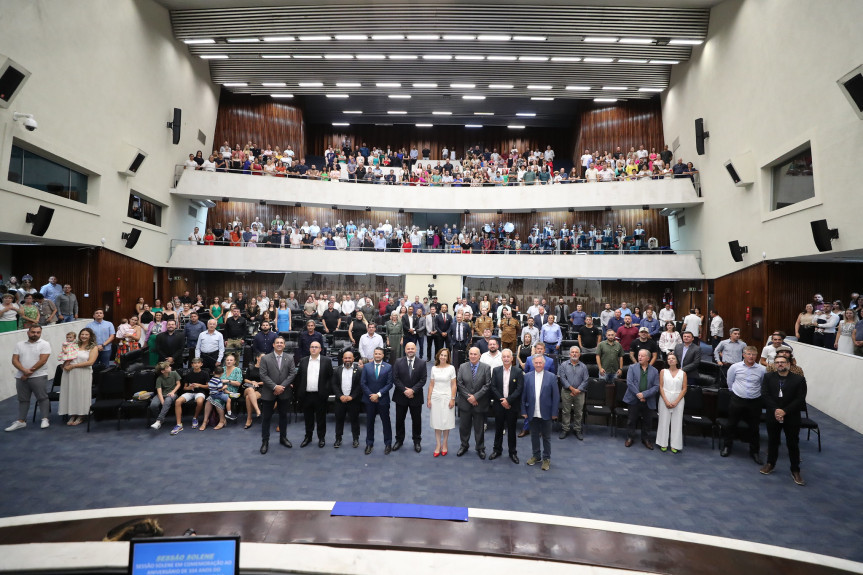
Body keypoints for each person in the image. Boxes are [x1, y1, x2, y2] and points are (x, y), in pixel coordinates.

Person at [760, 355, 808, 485]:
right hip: (773, 414)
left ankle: (795, 470)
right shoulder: (768, 377)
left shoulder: (799, 379)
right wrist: (776, 410)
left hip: (791, 416)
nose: (780, 364)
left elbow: (800, 399)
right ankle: (770, 463)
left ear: (788, 364)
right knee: (773, 441)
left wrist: (784, 411)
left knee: (792, 443)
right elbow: (765, 394)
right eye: (777, 362)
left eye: (782, 362)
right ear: (774, 364)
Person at [721, 346, 766, 464]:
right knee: (731, 424)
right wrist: (735, 392)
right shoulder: (735, 367)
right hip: (737, 400)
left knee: (754, 428)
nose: (751, 357)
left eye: (753, 355)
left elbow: (762, 384)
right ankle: (727, 447)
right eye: (749, 354)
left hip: (755, 401)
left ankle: (755, 452)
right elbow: (730, 382)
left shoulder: (762, 369)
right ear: (744, 355)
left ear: (756, 356)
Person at [6, 326, 52, 431]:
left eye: (38, 332)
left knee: (42, 398)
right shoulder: (19, 344)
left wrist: (27, 374)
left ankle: (45, 419)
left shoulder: (45, 344)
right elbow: (14, 360)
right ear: (28, 332)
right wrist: (23, 370)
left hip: (38, 376)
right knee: (23, 399)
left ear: (41, 333)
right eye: (33, 332)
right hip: (20, 376)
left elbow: (43, 361)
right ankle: (21, 421)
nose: (35, 334)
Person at [258, 336, 297, 454]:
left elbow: (292, 374)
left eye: (281, 343)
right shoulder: (265, 358)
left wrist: (281, 387)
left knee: (283, 417)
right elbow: (263, 375)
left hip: (284, 393)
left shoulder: (290, 358)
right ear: (273, 345)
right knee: (266, 418)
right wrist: (275, 387)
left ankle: (283, 438)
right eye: (277, 343)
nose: (279, 344)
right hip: (269, 392)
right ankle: (265, 441)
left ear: (284, 345)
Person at [521, 354, 560, 470]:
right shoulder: (527, 376)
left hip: (547, 412)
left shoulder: (552, 377)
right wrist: (523, 410)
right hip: (532, 411)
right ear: (533, 364)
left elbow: (556, 397)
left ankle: (546, 458)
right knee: (533, 436)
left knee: (546, 437)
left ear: (544, 364)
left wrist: (554, 413)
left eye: (540, 363)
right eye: (536, 363)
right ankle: (536, 456)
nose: (538, 365)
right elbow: (523, 396)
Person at [295, 341, 334, 448]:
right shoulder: (303, 361)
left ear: (320, 349)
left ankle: (321, 438)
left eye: (316, 347)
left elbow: (331, 377)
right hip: (306, 395)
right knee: (308, 418)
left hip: (320, 395)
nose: (313, 349)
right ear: (309, 349)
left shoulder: (326, 361)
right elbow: (299, 377)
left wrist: (326, 391)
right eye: (312, 347)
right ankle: (308, 436)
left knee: (321, 418)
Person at [456, 346, 492, 459]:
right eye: (471, 354)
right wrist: (469, 397)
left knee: (479, 428)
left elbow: (487, 385)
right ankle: (464, 445)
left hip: (479, 403)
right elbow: (460, 384)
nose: (472, 356)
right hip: (465, 403)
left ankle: (480, 448)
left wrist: (475, 397)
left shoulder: (486, 367)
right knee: (464, 427)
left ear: (480, 355)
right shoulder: (462, 366)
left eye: (475, 354)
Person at [489, 349, 524, 463]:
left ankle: (512, 452)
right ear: (501, 358)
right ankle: (497, 450)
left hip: (512, 406)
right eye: (504, 356)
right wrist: (502, 401)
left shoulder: (518, 371)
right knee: (498, 429)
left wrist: (508, 400)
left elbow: (519, 389)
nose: (506, 358)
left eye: (508, 356)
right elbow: (493, 387)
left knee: (512, 430)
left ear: (512, 358)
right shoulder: (496, 370)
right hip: (499, 405)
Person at [392, 342, 427, 453]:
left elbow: (423, 379)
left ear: (415, 349)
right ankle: (399, 440)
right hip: (401, 396)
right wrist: (405, 390)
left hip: (415, 396)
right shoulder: (398, 362)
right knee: (399, 419)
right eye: (408, 349)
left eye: (412, 348)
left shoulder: (422, 363)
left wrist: (412, 390)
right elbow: (395, 378)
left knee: (416, 420)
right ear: (405, 350)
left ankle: (417, 441)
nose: (410, 350)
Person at [624, 349, 660, 450]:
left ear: (648, 358)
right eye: (639, 355)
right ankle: (630, 437)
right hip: (633, 399)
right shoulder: (632, 367)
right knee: (631, 420)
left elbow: (656, 386)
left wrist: (644, 395)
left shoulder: (654, 371)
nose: (639, 357)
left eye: (642, 356)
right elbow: (629, 383)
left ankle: (646, 439)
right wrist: (638, 395)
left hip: (648, 400)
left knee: (648, 421)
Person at [360, 347, 394, 455]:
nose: (377, 355)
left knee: (386, 423)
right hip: (369, 399)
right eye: (376, 353)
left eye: (379, 354)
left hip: (383, 399)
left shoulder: (388, 367)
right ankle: (369, 443)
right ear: (373, 354)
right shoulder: (366, 367)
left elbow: (389, 384)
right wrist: (371, 395)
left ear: (383, 355)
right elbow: (363, 383)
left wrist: (378, 394)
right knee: (370, 422)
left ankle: (388, 444)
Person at [655, 352, 688, 453]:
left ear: (677, 361)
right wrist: (665, 400)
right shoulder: (663, 371)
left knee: (677, 422)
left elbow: (684, 389)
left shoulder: (683, 373)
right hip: (665, 397)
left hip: (678, 399)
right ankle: (662, 443)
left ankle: (675, 445)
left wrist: (676, 401)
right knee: (663, 421)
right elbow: (660, 386)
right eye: (669, 359)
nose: (671, 360)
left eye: (673, 358)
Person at [427, 348, 457, 457]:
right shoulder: (434, 368)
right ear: (438, 356)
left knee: (446, 421)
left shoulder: (451, 368)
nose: (443, 357)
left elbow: (454, 385)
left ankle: (445, 443)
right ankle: (438, 445)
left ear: (447, 357)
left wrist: (453, 398)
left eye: (445, 355)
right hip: (436, 397)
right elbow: (431, 384)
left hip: (447, 397)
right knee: (437, 422)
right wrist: (429, 398)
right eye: (441, 355)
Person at [332, 350, 362, 448]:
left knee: (354, 420)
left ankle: (356, 439)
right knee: (339, 420)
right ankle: (338, 439)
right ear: (342, 359)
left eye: (349, 358)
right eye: (345, 358)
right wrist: (340, 396)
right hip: (340, 400)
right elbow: (334, 385)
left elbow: (359, 386)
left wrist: (352, 396)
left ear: (353, 359)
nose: (347, 360)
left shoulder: (359, 370)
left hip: (353, 400)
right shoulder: (337, 370)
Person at [171, 357, 209, 435]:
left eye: (198, 363)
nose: (196, 364)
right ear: (192, 365)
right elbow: (184, 387)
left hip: (200, 392)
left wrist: (199, 385)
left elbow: (208, 386)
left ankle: (195, 418)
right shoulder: (188, 374)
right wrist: (190, 387)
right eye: (194, 363)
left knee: (200, 401)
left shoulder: (205, 373)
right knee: (178, 401)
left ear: (201, 364)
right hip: (190, 392)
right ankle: (179, 424)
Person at [557, 346, 589, 440]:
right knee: (566, 411)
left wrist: (577, 390)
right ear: (569, 354)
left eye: (576, 352)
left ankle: (577, 429)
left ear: (579, 354)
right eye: (572, 352)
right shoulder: (563, 365)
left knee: (578, 412)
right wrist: (572, 389)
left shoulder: (583, 366)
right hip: (567, 392)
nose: (574, 354)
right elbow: (562, 378)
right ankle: (565, 429)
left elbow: (586, 380)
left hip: (580, 393)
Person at [149, 361, 182, 430]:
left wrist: (173, 392)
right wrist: (162, 402)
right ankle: (161, 420)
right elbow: (159, 392)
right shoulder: (159, 379)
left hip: (172, 394)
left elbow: (178, 384)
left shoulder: (174, 373)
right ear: (163, 371)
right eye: (168, 367)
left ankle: (158, 421)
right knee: (153, 405)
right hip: (161, 394)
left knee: (168, 400)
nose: (170, 367)